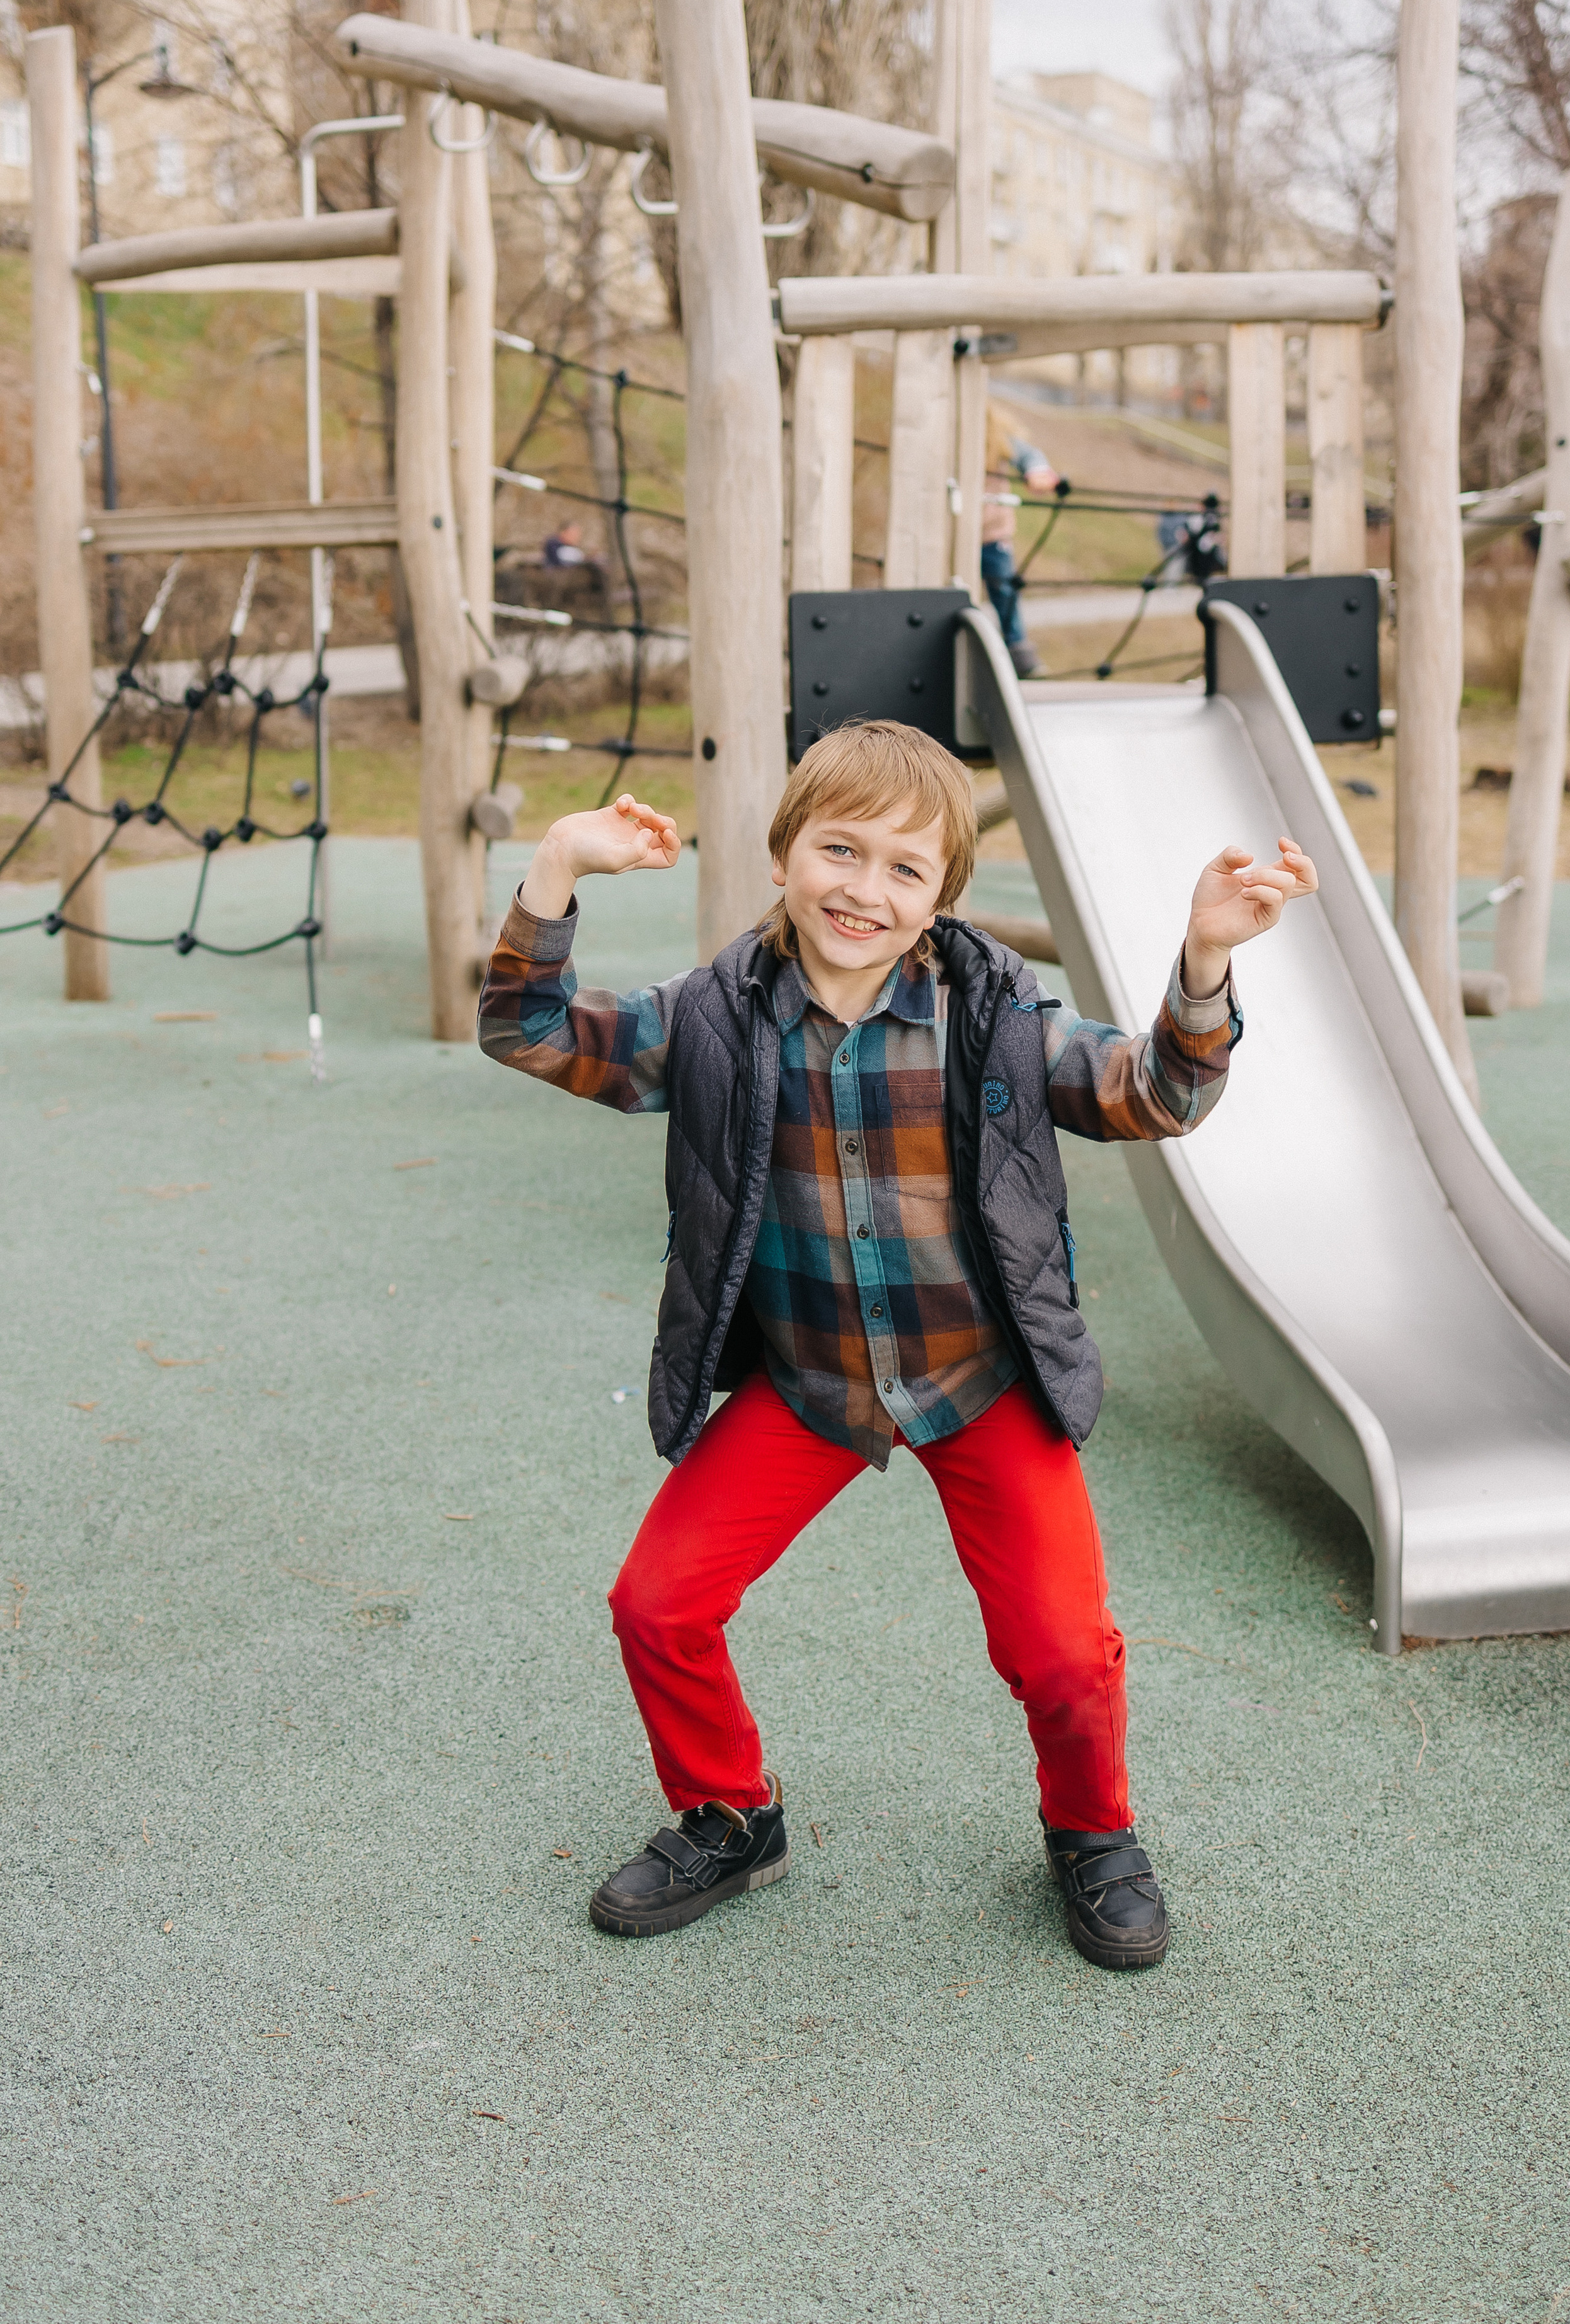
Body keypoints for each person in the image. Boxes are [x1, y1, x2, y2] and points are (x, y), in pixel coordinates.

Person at [478, 721, 1317, 1967]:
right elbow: (527, 1030)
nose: (863, 890)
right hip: (810, 1377)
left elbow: (1157, 1095)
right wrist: (554, 866)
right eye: (838, 849)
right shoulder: (708, 1020)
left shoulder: (993, 1019)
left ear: (939, 900)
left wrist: (1202, 959)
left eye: (903, 870)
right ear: (781, 855)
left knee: (1061, 1652)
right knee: (657, 1603)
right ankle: (727, 1817)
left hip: (975, 1371)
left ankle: (1089, 1833)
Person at [982, 401, 1062, 680]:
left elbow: (1028, 454)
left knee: (1006, 592)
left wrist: (1038, 471)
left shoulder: (995, 439)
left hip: (993, 534)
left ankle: (1020, 655)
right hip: (958, 535)